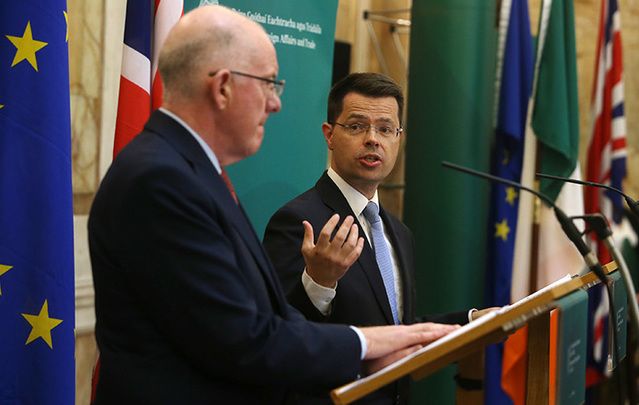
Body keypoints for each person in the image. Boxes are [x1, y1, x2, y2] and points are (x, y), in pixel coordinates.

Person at [88, 6, 458, 405]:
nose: (275, 103)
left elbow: (254, 323)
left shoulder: (188, 172)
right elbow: (241, 340)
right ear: (224, 87)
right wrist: (363, 345)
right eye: (268, 83)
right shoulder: (162, 180)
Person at [264, 73, 488, 404]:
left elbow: (396, 327)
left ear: (399, 138)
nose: (373, 139)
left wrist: (471, 322)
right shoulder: (299, 221)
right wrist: (319, 283)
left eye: (385, 129)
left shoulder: (398, 232)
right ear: (329, 135)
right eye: (356, 126)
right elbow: (278, 336)